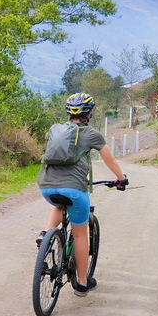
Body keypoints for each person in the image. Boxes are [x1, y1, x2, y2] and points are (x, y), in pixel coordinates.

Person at [37, 93, 127, 297]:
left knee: (59, 204)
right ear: (90, 113)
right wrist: (121, 179)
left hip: (46, 186)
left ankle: (45, 234)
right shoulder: (92, 134)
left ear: (69, 113)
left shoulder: (57, 130)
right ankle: (82, 283)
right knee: (80, 234)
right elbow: (110, 161)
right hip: (75, 190)